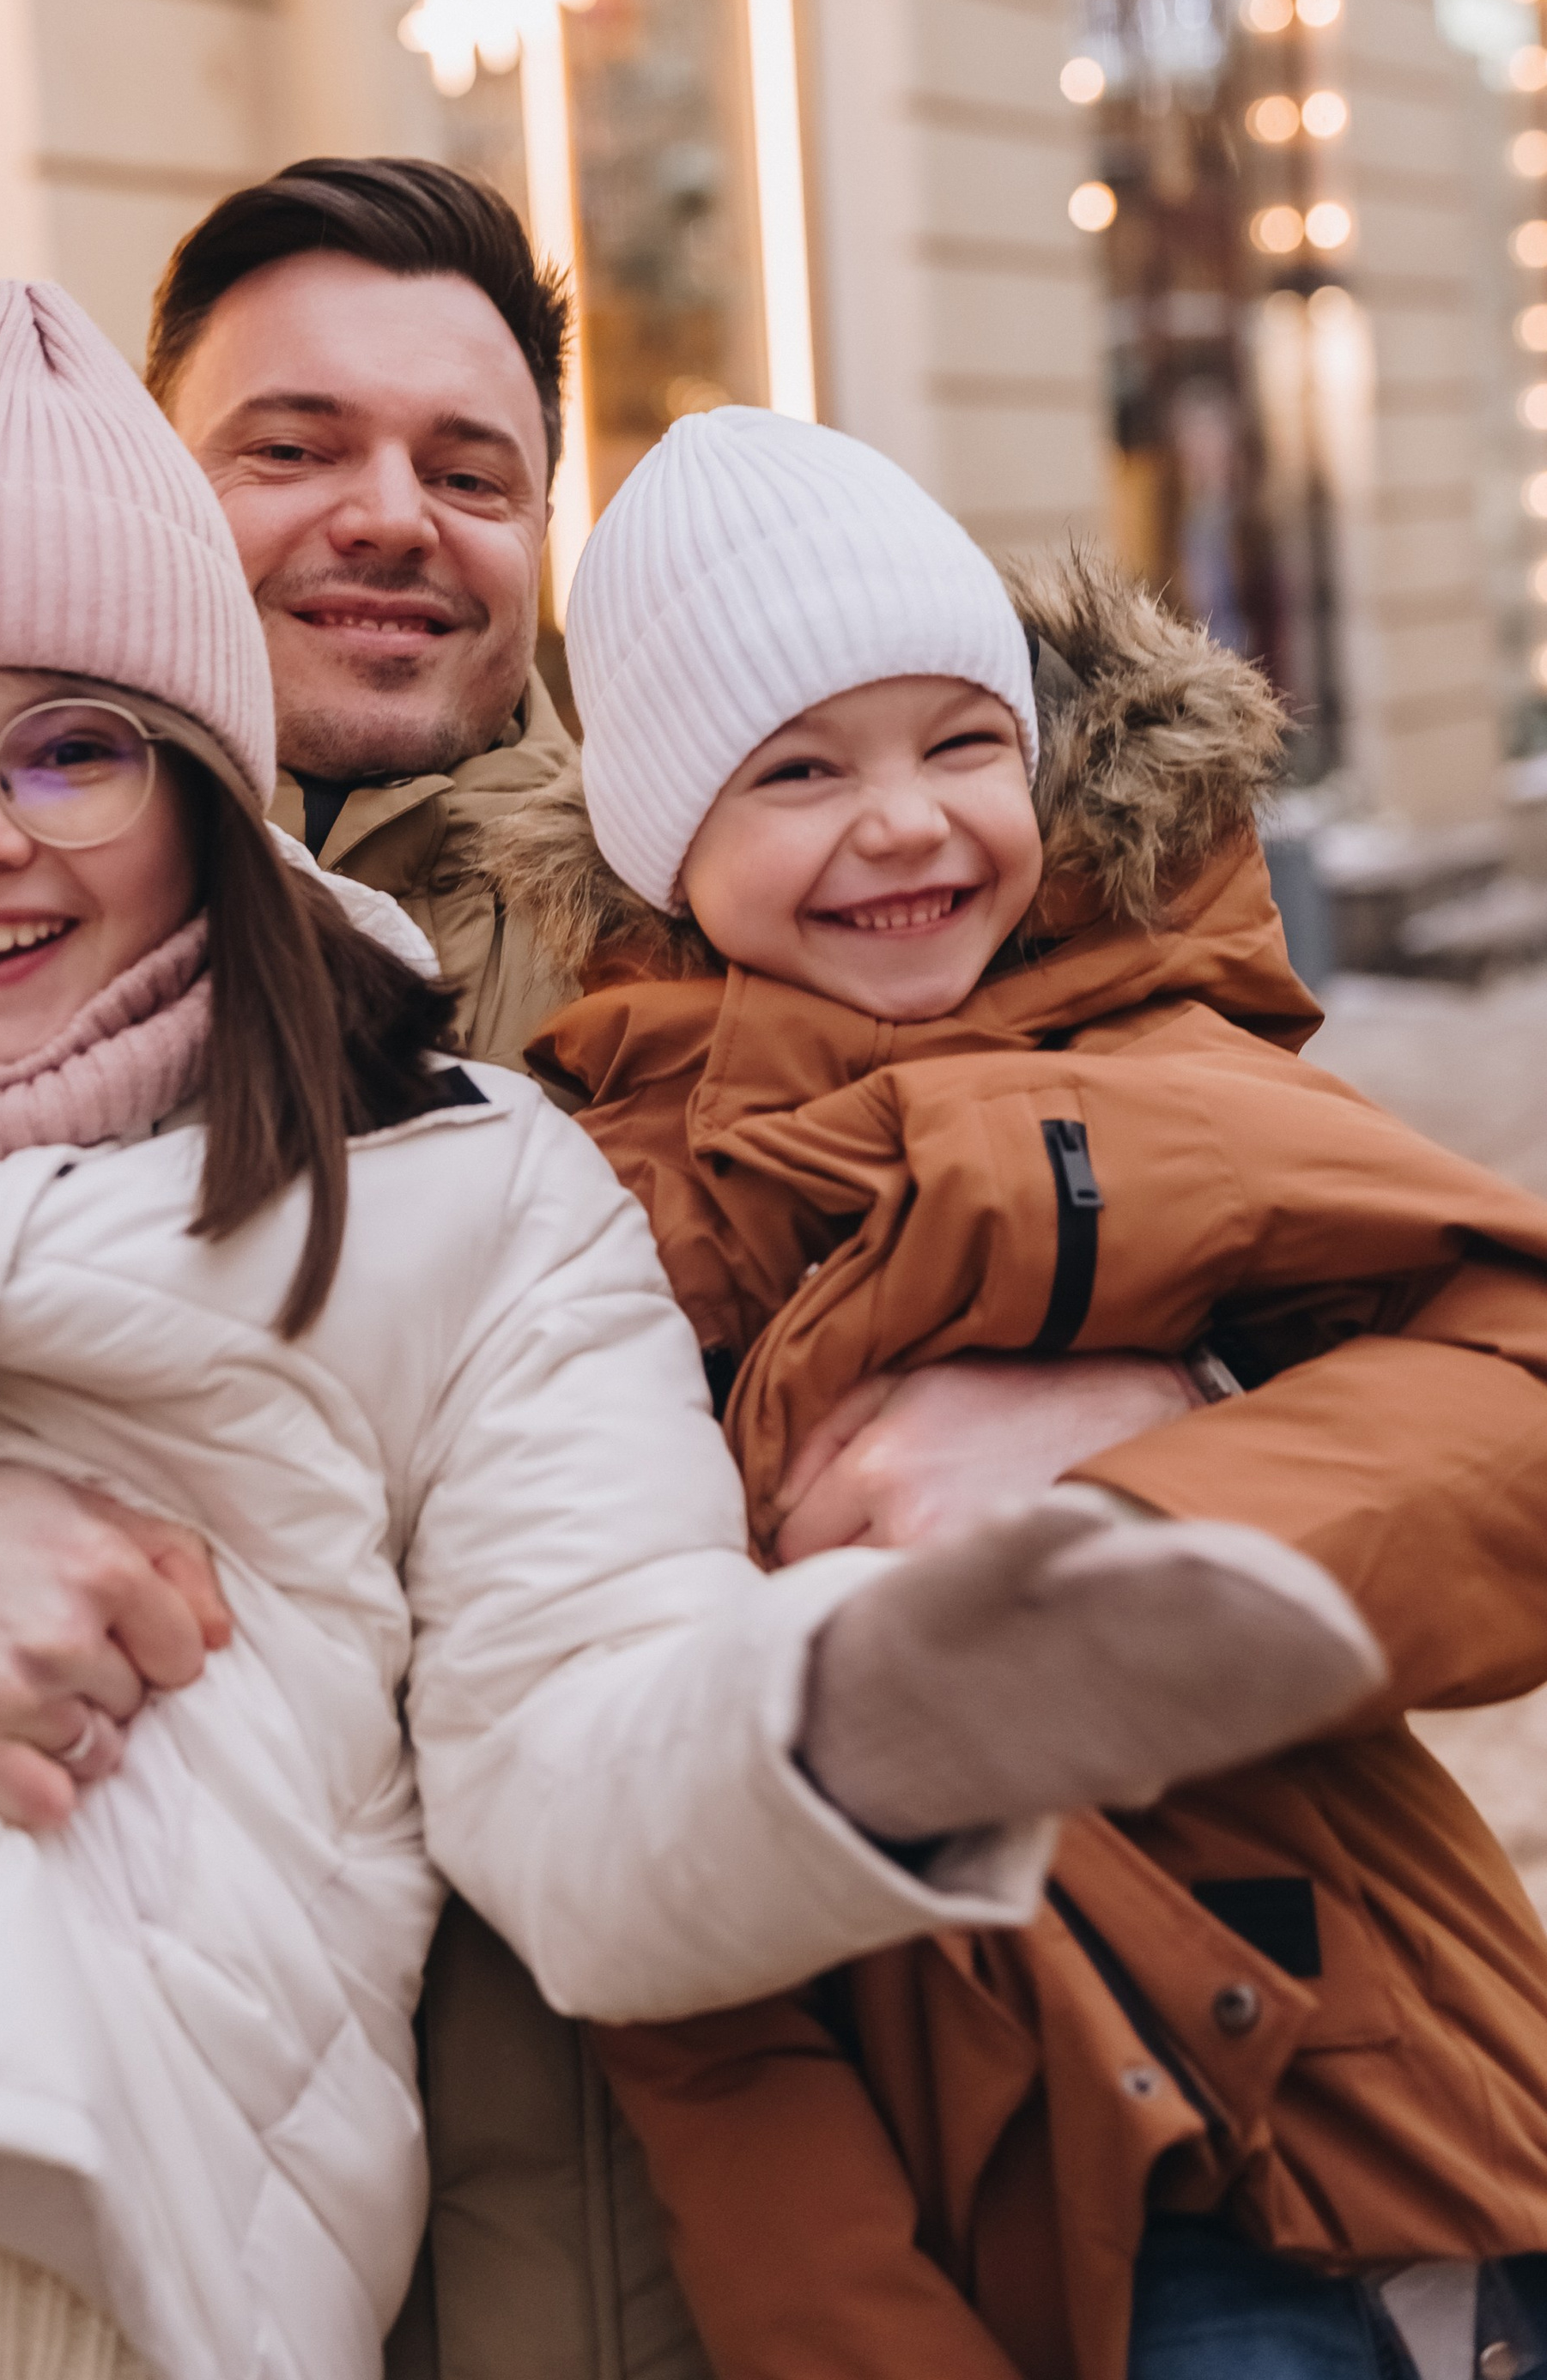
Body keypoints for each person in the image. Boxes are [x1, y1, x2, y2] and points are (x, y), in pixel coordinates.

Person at [0, 162, 1435, 2377]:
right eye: (291, 445)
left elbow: (617, 1691)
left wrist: (1134, 1484)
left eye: (469, 469)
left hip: (695, 2192)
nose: (385, 514)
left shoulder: (728, 927)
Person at [499, 403, 1547, 2380]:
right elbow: (675, 1933)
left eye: (955, 744)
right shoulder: (603, 1231)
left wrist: (1148, 1478)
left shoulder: (1170, 1064)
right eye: (795, 769)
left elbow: (1512, 1388)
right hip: (1011, 2197)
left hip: (1368, 2108)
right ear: (660, 838)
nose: (897, 820)